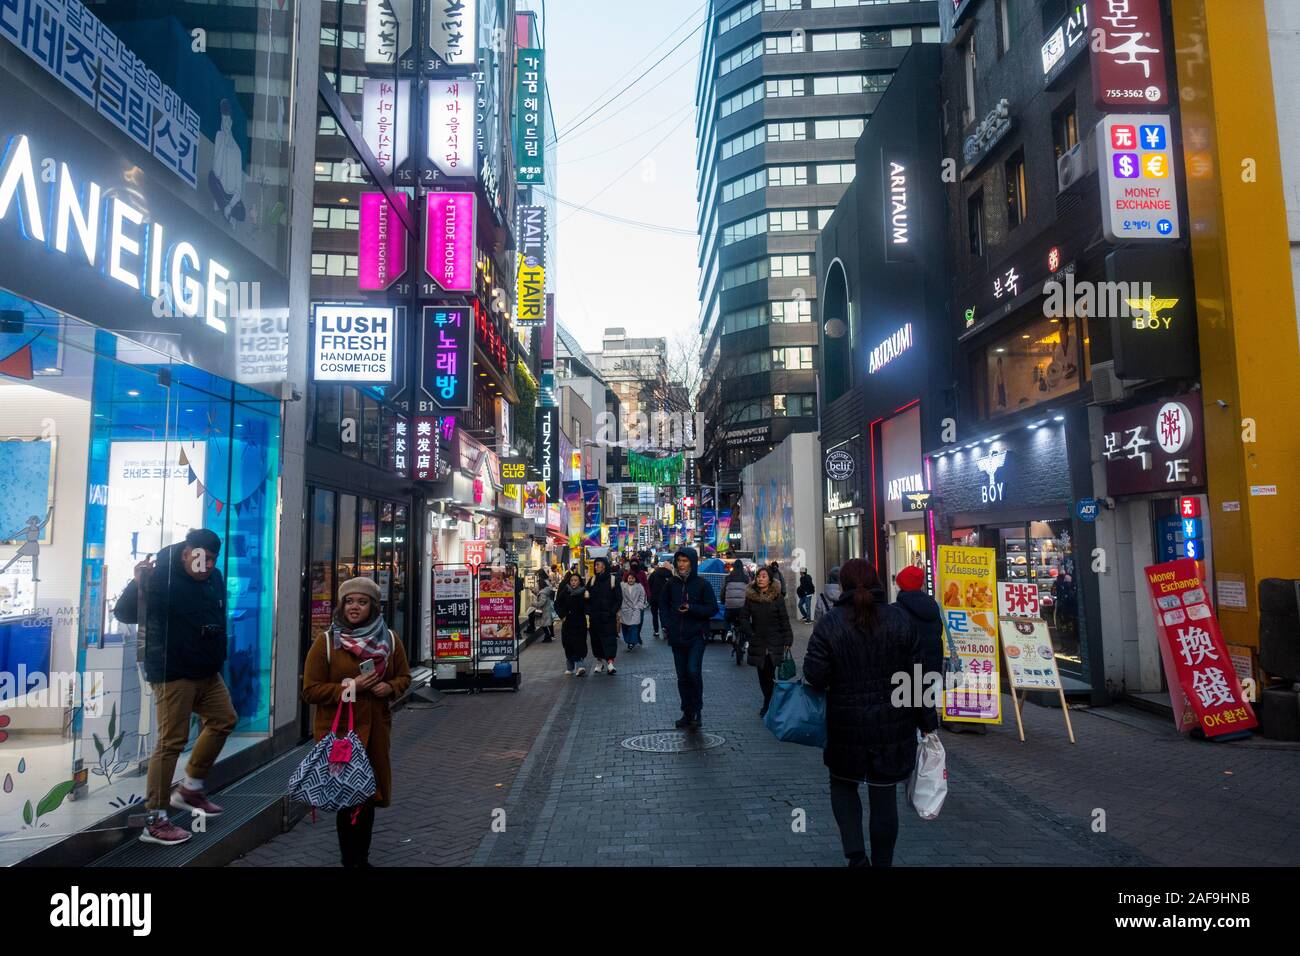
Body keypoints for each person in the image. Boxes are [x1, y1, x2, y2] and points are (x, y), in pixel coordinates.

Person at [803, 558, 938, 868]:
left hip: (845, 724)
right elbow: (919, 677)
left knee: (843, 784)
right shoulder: (899, 620)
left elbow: (815, 675)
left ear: (843, 585)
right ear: (877, 582)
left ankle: (856, 856)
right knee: (883, 795)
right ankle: (882, 863)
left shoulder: (831, 623)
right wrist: (928, 723)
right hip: (893, 725)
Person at [113, 528, 237, 846]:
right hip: (173, 672)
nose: (205, 565)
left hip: (207, 671)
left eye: (211, 559)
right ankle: (155, 819)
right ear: (185, 553)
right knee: (171, 743)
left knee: (224, 720)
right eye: (200, 558)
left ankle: (191, 788)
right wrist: (137, 583)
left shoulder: (215, 578)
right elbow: (125, 614)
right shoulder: (159, 576)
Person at [302, 576, 411, 867]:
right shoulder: (326, 643)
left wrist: (390, 688)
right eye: (349, 601)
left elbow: (404, 677)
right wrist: (352, 687)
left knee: (367, 796)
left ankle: (360, 858)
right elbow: (310, 690)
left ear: (373, 607)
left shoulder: (388, 639)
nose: (354, 607)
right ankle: (351, 860)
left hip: (374, 732)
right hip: (339, 735)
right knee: (347, 796)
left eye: (362, 602)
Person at [658, 547, 719, 731]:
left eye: (685, 561)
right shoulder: (671, 584)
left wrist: (692, 608)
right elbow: (662, 606)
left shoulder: (702, 584)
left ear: (692, 563)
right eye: (680, 561)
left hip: (696, 636)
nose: (682, 564)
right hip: (677, 637)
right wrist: (668, 624)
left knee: (693, 671)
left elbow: (712, 608)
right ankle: (687, 712)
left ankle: (697, 710)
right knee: (682, 677)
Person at [737, 566, 794, 717]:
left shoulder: (777, 597)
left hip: (775, 640)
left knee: (770, 673)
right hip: (758, 641)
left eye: (764, 576)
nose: (760, 579)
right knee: (762, 675)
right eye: (758, 576)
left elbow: (784, 619)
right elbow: (743, 617)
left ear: (770, 579)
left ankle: (769, 704)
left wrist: (788, 638)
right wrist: (750, 632)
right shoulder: (751, 597)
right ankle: (769, 701)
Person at [893, 565, 943, 724]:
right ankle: (927, 738)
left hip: (904, 670)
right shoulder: (933, 606)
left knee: (906, 714)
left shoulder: (896, 610)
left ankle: (914, 742)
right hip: (931, 668)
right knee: (927, 709)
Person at [585, 556, 622, 674]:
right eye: (595, 565)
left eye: (598, 565)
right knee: (596, 640)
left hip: (608, 617)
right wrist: (589, 611)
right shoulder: (592, 580)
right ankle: (599, 662)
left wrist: (612, 612)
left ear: (604, 566)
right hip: (595, 617)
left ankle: (610, 663)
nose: (595, 567)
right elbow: (586, 597)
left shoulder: (613, 580)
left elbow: (618, 598)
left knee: (610, 639)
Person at [555, 572, 589, 676]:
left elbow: (588, 608)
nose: (573, 582)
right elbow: (557, 604)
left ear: (579, 582)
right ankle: (570, 667)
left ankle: (580, 666)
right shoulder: (565, 592)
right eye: (572, 580)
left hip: (579, 623)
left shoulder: (584, 593)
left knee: (579, 644)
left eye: (575, 580)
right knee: (568, 644)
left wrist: (587, 599)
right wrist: (562, 615)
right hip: (568, 623)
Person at [620, 571, 649, 650]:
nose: (631, 580)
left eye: (632, 578)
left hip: (635, 609)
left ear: (635, 579)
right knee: (625, 626)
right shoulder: (622, 586)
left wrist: (639, 606)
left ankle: (631, 642)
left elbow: (642, 597)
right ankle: (628, 640)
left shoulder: (639, 586)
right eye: (629, 578)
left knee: (634, 626)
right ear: (627, 578)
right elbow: (618, 595)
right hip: (625, 609)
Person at [722, 559, 750, 640]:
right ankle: (746, 639)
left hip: (730, 606)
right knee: (746, 619)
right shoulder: (746, 578)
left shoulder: (728, 578)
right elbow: (750, 591)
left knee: (726, 619)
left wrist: (723, 600)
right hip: (742, 606)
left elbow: (723, 591)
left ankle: (729, 631)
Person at [648, 560, 674, 639]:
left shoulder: (654, 574)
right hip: (664, 598)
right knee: (663, 613)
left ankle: (656, 631)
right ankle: (664, 627)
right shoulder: (669, 574)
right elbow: (672, 586)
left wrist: (650, 595)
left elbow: (649, 584)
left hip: (654, 597)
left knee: (654, 615)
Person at [531, 571, 556, 643]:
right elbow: (540, 596)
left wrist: (533, 604)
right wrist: (534, 591)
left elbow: (541, 602)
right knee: (545, 624)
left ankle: (548, 637)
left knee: (544, 625)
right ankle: (548, 636)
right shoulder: (544, 590)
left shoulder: (543, 592)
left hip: (544, 611)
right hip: (546, 610)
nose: (537, 585)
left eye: (538, 584)